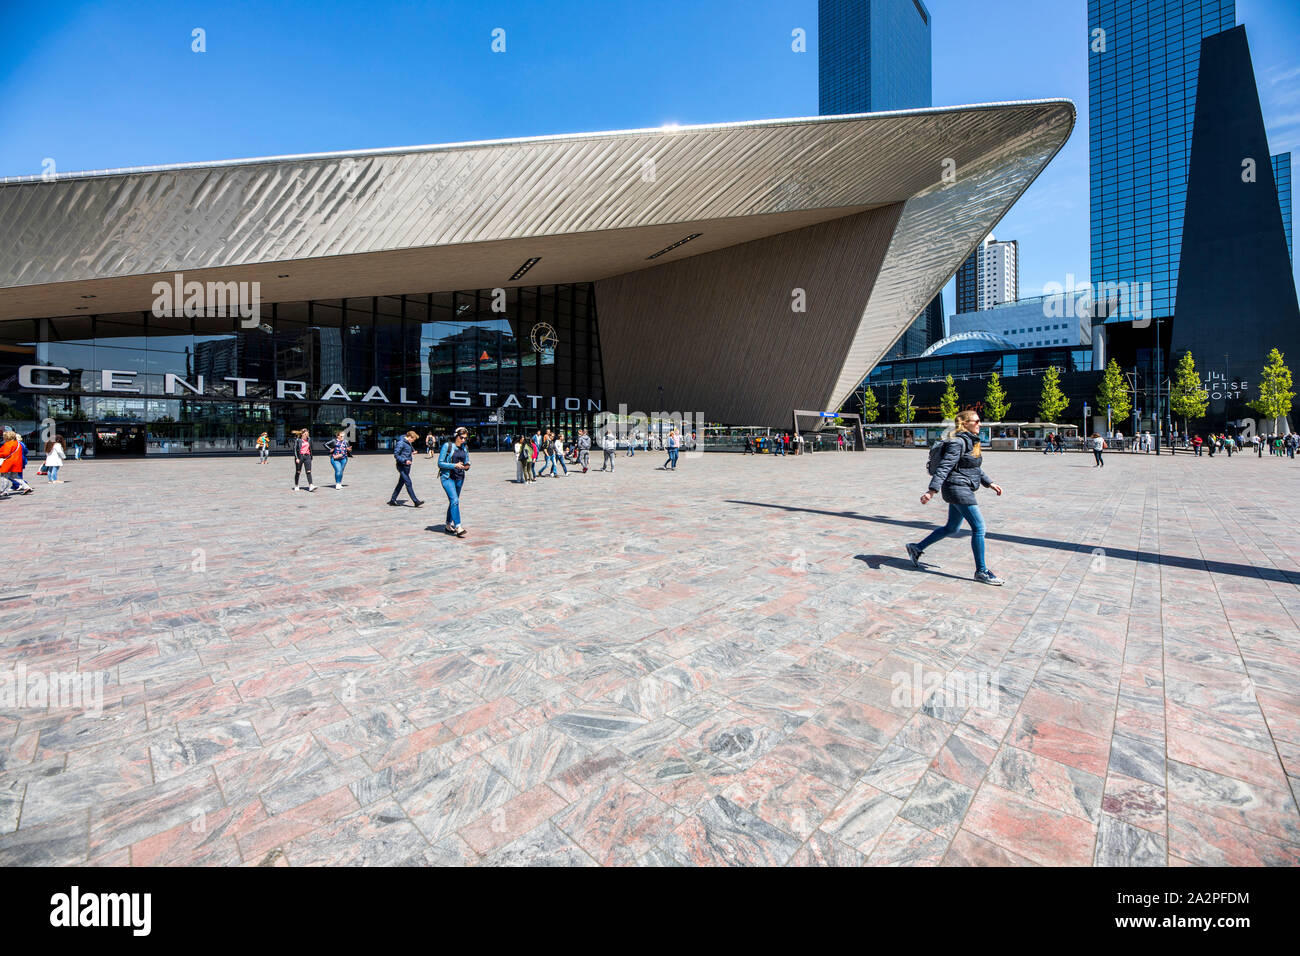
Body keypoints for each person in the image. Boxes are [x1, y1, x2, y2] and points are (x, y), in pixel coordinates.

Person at [906, 409, 1005, 586]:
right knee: (979, 528)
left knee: (952, 528)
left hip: (962, 487)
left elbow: (974, 468)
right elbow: (944, 467)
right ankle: (981, 571)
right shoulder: (958, 442)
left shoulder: (970, 441)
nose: (979, 424)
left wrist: (990, 483)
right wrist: (931, 491)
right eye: (976, 421)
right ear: (964, 423)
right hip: (957, 489)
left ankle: (916, 548)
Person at [437, 426, 470, 536]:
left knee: (453, 502)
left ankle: (447, 524)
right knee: (455, 500)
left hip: (460, 477)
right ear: (456, 436)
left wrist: (467, 466)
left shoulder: (465, 448)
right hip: (447, 477)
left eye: (465, 438)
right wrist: (454, 465)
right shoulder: (447, 446)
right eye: (462, 437)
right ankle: (458, 526)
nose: (463, 440)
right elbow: (440, 463)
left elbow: (467, 460)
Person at [388, 429, 423, 507]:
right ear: (410, 437)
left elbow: (405, 452)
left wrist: (412, 453)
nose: (413, 441)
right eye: (413, 439)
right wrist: (405, 460)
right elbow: (396, 455)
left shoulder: (407, 442)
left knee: (401, 483)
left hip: (407, 466)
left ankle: (392, 500)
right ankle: (416, 501)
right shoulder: (401, 443)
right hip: (402, 466)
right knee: (408, 483)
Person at [0, 429, 31, 495]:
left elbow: (5, 453)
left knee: (4, 476)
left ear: (7, 437)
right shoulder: (18, 444)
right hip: (16, 462)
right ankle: (26, 487)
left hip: (8, 462)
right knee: (15, 476)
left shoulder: (8, 444)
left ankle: (3, 491)